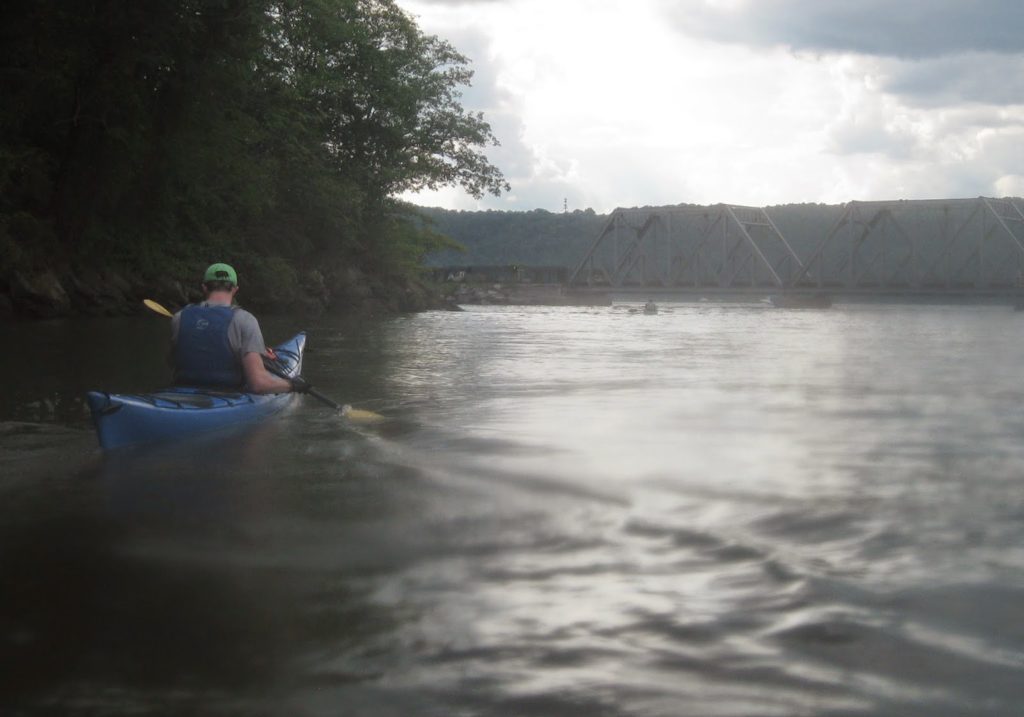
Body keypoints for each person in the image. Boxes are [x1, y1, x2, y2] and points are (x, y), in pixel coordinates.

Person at [171, 263, 308, 394]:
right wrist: (293, 385)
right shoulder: (245, 320)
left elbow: (175, 359)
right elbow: (258, 384)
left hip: (179, 390)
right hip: (227, 393)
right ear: (235, 289)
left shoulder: (178, 318)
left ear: (204, 288)